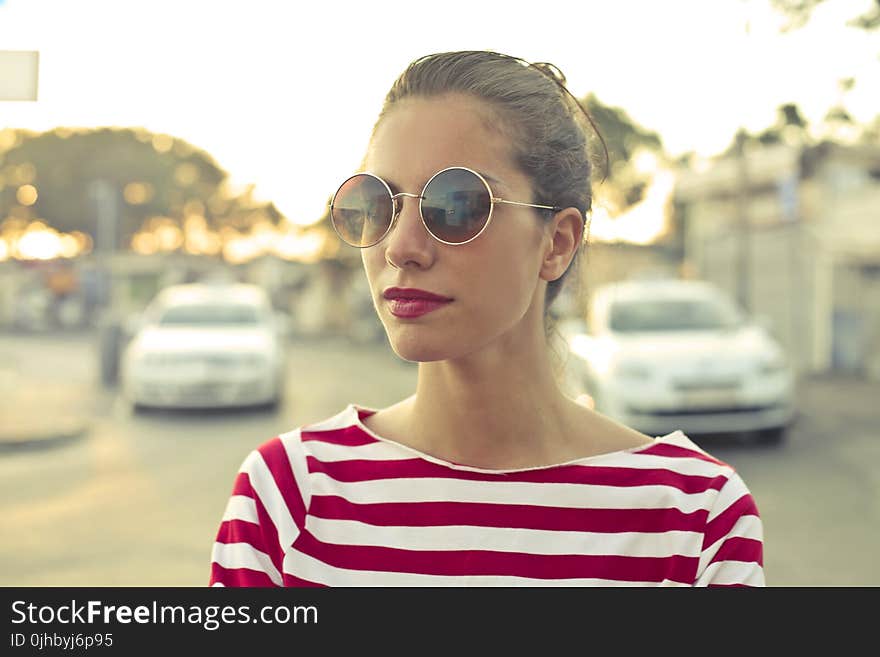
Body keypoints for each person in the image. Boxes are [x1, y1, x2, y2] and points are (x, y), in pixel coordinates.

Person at [209, 50, 764, 587]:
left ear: (556, 242)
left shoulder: (693, 518)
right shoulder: (291, 496)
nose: (401, 248)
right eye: (378, 204)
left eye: (456, 204)